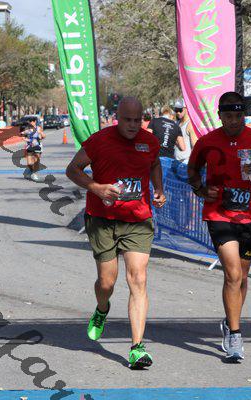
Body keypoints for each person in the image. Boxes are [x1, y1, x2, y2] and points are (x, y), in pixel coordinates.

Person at [65, 97, 166, 369]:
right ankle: (102, 308)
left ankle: (137, 348)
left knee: (138, 279)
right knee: (106, 283)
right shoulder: (99, 141)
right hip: (103, 219)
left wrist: (158, 188)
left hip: (138, 219)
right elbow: (72, 169)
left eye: (137, 120)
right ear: (116, 118)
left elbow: (154, 164)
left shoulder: (149, 141)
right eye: (127, 120)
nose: (132, 125)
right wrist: (96, 188)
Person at [187, 91, 251, 361]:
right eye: (228, 116)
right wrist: (201, 190)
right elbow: (192, 171)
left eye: (238, 116)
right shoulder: (207, 142)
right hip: (219, 215)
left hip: (250, 217)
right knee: (233, 274)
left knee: (242, 277)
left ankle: (230, 321)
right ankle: (236, 335)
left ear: (244, 116)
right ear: (220, 116)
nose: (234, 121)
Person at [21, 116, 46, 181]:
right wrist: (25, 139)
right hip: (29, 147)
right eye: (30, 122)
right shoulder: (27, 129)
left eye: (32, 121)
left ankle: (34, 174)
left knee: (36, 161)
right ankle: (31, 171)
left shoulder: (38, 128)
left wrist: (41, 134)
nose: (31, 123)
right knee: (29, 163)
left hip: (38, 146)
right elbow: (22, 136)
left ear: (35, 122)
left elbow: (44, 136)